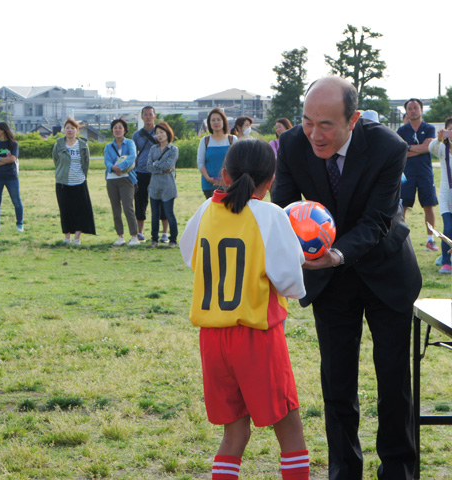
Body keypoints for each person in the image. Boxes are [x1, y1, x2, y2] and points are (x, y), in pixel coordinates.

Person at [271, 76, 422, 480]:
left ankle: (398, 470)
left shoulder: (389, 147)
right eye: (307, 122)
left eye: (326, 125)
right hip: (330, 282)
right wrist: (296, 251)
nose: (314, 135)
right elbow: (282, 206)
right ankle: (344, 470)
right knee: (337, 382)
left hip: (385, 271)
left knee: (394, 381)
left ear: (352, 119)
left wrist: (335, 254)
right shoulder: (291, 145)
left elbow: (377, 221)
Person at [181, 138, 309, 480]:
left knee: (235, 433)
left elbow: (188, 252)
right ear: (271, 181)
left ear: (224, 174)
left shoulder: (206, 209)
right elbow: (291, 285)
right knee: (290, 432)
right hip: (256, 338)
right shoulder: (271, 215)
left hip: (212, 338)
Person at [396, 98, 437, 250]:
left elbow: (429, 148)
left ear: (421, 110)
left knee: (429, 205)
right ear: (406, 111)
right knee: (403, 206)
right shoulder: (401, 131)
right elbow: (400, 153)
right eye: (410, 108)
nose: (413, 110)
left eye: (416, 107)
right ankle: (401, 240)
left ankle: (430, 240)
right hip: (407, 174)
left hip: (425, 173)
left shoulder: (429, 128)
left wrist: (409, 148)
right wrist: (421, 147)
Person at [52, 118, 96, 245]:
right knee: (65, 210)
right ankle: (67, 237)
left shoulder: (83, 145)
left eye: (72, 128)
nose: (70, 130)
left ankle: (77, 237)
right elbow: (56, 160)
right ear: (64, 130)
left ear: (77, 130)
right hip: (62, 182)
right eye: (67, 128)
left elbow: (86, 162)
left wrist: (82, 175)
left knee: (79, 210)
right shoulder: (58, 144)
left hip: (79, 181)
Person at [132, 106, 168, 243]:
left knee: (162, 201)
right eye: (145, 114)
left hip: (159, 172)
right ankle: (140, 232)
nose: (148, 117)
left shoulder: (161, 132)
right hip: (141, 171)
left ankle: (164, 233)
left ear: (155, 116)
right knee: (140, 202)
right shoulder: (137, 135)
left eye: (150, 114)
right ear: (142, 117)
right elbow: (133, 153)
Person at [104, 118, 139, 246]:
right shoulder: (108, 146)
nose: (117, 130)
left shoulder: (130, 143)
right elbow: (107, 161)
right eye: (115, 128)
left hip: (126, 179)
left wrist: (121, 167)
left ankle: (134, 236)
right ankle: (120, 236)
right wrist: (113, 168)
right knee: (115, 208)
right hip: (112, 179)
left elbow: (132, 156)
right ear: (112, 130)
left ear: (124, 130)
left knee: (128, 207)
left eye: (120, 127)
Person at [146, 122, 179, 248]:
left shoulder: (173, 149)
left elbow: (168, 166)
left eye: (162, 132)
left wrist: (156, 164)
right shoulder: (153, 149)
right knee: (154, 214)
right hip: (154, 185)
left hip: (168, 186)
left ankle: (173, 240)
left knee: (169, 213)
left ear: (168, 133)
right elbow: (149, 166)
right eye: (157, 133)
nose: (159, 135)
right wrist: (160, 167)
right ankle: (154, 240)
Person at [0, 122, 24, 233]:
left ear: (2, 130)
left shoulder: (13, 144)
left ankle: (19, 224)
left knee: (16, 201)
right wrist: (4, 159)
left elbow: (13, 159)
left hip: (11, 177)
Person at [197, 108, 239, 199]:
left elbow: (238, 162)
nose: (216, 122)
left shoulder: (232, 140)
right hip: (209, 186)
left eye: (218, 119)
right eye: (213, 120)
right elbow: (200, 163)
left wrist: (228, 179)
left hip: (230, 185)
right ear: (209, 123)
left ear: (224, 122)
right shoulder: (205, 141)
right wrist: (208, 178)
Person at [428, 117, 452, 273]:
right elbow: (431, 148)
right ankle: (445, 261)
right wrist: (438, 138)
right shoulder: (442, 149)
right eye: (450, 130)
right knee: (448, 229)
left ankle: (444, 255)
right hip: (445, 196)